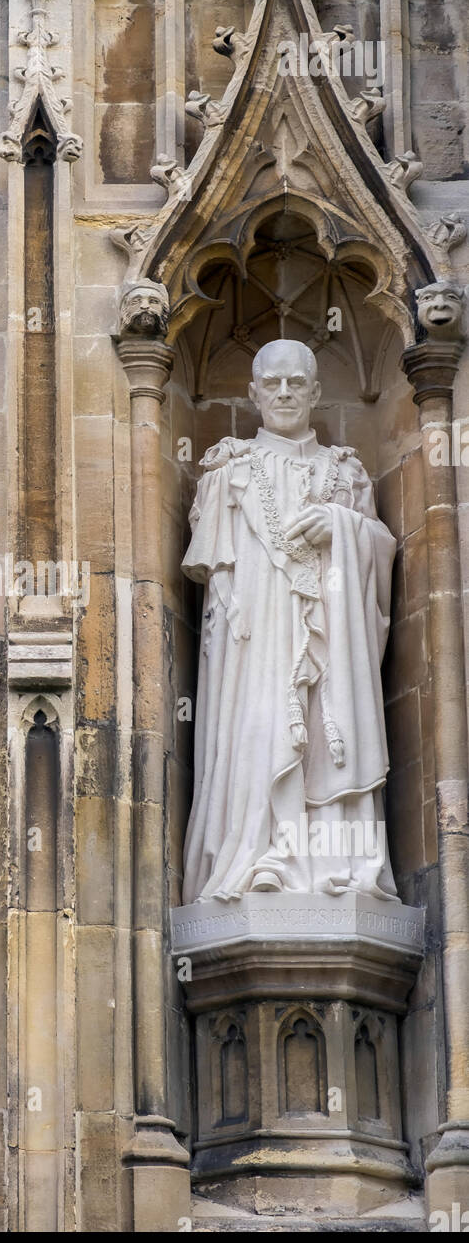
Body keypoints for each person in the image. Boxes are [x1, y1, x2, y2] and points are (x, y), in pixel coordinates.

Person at [181, 339, 398, 903]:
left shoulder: (346, 476)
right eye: (271, 383)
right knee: (258, 732)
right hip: (255, 648)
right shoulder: (227, 473)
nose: (283, 393)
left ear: (316, 392)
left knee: (333, 735)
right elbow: (217, 585)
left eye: (295, 383)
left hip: (332, 638)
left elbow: (381, 554)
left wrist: (343, 530)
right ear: (252, 393)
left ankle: (333, 866)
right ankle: (254, 855)